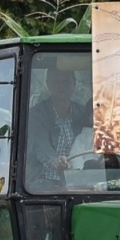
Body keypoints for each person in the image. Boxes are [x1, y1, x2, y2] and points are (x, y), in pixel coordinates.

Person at [25, 60, 95, 190]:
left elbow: (93, 138)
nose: (61, 86)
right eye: (56, 82)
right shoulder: (37, 114)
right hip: (46, 179)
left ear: (74, 84)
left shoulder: (82, 112)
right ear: (48, 84)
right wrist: (55, 160)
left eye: (66, 82)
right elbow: (40, 145)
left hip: (80, 179)